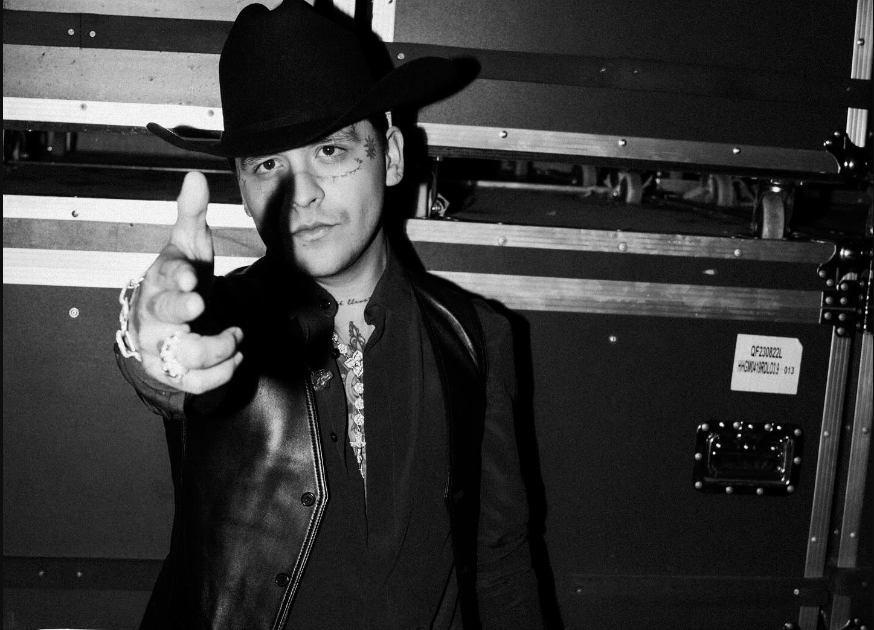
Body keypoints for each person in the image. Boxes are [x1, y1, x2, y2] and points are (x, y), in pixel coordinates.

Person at [114, 1, 543, 628]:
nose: (304, 193)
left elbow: (500, 558)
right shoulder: (216, 322)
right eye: (269, 165)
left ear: (391, 156)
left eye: (332, 151)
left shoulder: (476, 335)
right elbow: (160, 362)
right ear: (242, 189)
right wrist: (145, 343)